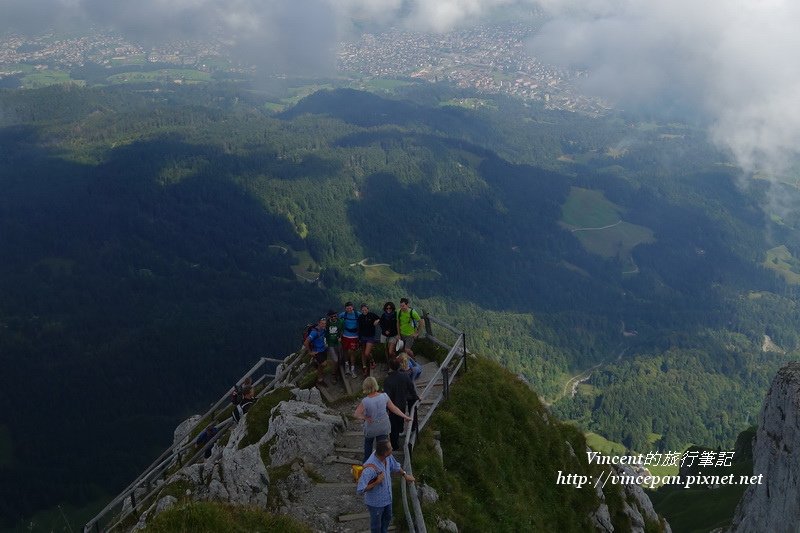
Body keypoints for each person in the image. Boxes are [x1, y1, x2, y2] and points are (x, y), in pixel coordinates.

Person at [357, 439, 415, 533]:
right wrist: (376, 482)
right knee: (376, 526)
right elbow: (360, 490)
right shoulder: (369, 469)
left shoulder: (387, 457)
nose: (392, 449)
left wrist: (405, 475)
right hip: (376, 503)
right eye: (390, 448)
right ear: (384, 453)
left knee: (387, 519)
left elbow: (395, 466)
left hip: (387, 499)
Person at [354, 376, 412, 462]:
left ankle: (367, 463)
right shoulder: (384, 396)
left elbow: (356, 414)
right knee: (382, 447)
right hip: (383, 426)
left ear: (365, 387)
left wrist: (365, 417)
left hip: (371, 427)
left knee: (368, 443)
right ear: (375, 385)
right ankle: (383, 464)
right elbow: (394, 408)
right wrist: (405, 416)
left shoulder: (365, 401)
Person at [382, 358, 419, 450]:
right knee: (400, 420)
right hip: (402, 403)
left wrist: (385, 408)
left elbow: (386, 395)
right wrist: (416, 397)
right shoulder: (405, 376)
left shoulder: (387, 380)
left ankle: (394, 445)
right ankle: (400, 432)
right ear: (399, 366)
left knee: (393, 425)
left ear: (390, 367)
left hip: (392, 405)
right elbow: (411, 388)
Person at [302, 317, 328, 387]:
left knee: (322, 364)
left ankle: (318, 368)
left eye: (325, 323)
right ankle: (320, 379)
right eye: (322, 323)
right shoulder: (314, 332)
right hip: (317, 351)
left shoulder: (323, 329)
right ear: (318, 323)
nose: (324, 325)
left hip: (323, 349)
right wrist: (310, 352)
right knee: (324, 364)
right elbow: (306, 342)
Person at [358, 303, 380, 377]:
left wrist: (377, 321)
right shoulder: (360, 317)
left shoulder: (372, 315)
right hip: (363, 337)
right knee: (363, 352)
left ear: (368, 309)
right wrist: (359, 338)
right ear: (361, 310)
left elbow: (380, 318)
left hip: (371, 336)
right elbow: (359, 328)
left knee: (367, 353)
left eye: (365, 309)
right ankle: (364, 367)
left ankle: (372, 361)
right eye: (363, 310)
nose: (364, 311)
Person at [339, 302, 361, 378]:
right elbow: (336, 321)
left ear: (353, 307)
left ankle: (352, 369)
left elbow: (364, 318)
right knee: (345, 351)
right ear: (345, 308)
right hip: (345, 336)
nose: (349, 309)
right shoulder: (343, 314)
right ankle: (347, 366)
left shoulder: (357, 314)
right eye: (347, 308)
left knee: (351, 352)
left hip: (354, 336)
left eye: (350, 308)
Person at [324, 309, 342, 383]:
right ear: (329, 317)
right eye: (332, 317)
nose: (334, 317)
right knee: (335, 360)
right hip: (330, 344)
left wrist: (340, 337)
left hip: (338, 343)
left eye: (335, 316)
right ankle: (333, 375)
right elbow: (321, 328)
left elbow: (342, 330)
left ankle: (337, 372)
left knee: (340, 358)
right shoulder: (327, 323)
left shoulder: (340, 321)